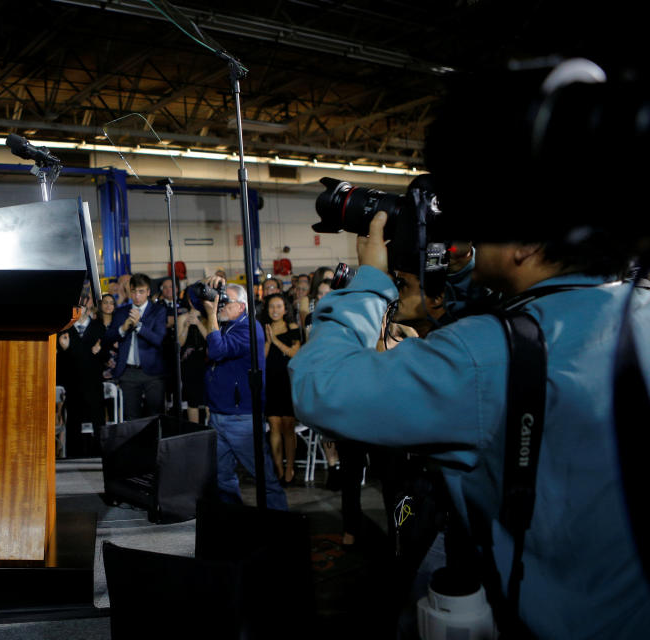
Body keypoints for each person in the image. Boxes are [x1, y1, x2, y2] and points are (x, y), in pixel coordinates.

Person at [291, 188, 650, 634]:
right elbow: (519, 317)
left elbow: (319, 388)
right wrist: (461, 272)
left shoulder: (482, 355)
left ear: (528, 246)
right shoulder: (638, 310)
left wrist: (371, 281)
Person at [202, 276, 287, 510]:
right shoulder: (229, 325)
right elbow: (193, 297)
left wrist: (210, 316)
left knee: (263, 477)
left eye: (225, 302)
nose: (219, 306)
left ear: (241, 306)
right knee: (222, 478)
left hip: (241, 418)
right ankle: (234, 522)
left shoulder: (250, 329)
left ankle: (282, 528)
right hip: (220, 414)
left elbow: (217, 351)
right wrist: (209, 287)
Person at [105, 273, 167, 420]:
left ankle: (154, 443)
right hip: (128, 372)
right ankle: (134, 443)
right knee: (131, 416)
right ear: (129, 291)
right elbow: (108, 338)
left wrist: (139, 325)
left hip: (153, 372)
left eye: (141, 292)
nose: (137, 296)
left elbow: (159, 339)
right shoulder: (121, 312)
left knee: (155, 415)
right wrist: (123, 328)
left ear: (148, 292)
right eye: (134, 291)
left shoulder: (158, 310)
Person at [56, 301, 106, 457]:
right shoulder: (65, 329)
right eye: (74, 307)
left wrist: (97, 352)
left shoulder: (98, 327)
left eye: (81, 307)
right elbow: (62, 362)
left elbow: (105, 355)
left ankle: (99, 453)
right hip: (73, 383)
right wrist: (66, 350)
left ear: (88, 307)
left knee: (97, 420)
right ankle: (73, 454)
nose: (78, 310)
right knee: (74, 420)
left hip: (93, 383)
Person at [261, 294, 300, 485]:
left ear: (285, 309)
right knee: (274, 426)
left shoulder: (292, 328)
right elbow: (261, 358)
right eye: (271, 307)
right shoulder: (263, 329)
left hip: (287, 380)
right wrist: (268, 340)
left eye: (278, 306)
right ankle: (278, 469)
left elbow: (295, 353)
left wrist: (276, 341)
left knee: (288, 426)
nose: (275, 310)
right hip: (270, 380)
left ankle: (290, 468)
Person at [176, 304, 209, 424]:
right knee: (192, 400)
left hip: (206, 361)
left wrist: (198, 323)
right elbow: (179, 343)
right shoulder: (182, 318)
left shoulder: (208, 316)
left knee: (209, 399)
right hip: (189, 363)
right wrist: (186, 326)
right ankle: (194, 433)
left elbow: (211, 339)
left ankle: (212, 432)